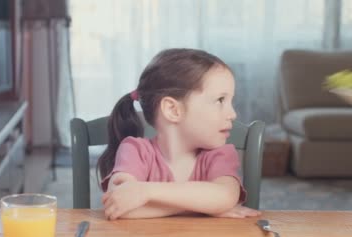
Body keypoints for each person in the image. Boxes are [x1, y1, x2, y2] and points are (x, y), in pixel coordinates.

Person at [98, 48, 262, 220]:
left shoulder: (220, 153)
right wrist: (205, 207)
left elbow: (226, 197)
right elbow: (119, 208)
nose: (233, 114)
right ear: (173, 110)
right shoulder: (134, 150)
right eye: (220, 100)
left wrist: (145, 192)